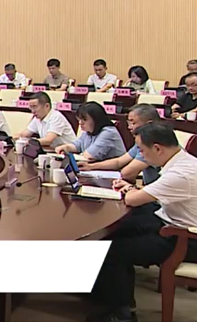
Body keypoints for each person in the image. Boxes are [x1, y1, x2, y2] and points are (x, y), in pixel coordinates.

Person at [89, 123, 197, 322]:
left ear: (157, 148)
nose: (141, 155)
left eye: (141, 149)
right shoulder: (183, 162)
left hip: (185, 238)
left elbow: (132, 199)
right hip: (170, 220)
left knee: (111, 251)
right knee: (117, 229)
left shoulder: (181, 173)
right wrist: (131, 189)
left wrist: (130, 190)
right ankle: (107, 293)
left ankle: (122, 314)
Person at [80, 104, 161, 185]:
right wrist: (90, 166)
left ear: (149, 124)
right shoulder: (142, 141)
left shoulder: (152, 144)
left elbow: (127, 173)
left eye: (133, 123)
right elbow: (118, 162)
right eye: (128, 123)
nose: (129, 127)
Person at [55, 102, 126, 162]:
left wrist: (78, 154)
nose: (80, 123)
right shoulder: (88, 131)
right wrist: (65, 147)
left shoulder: (108, 133)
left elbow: (90, 156)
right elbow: (77, 145)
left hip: (113, 171)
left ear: (96, 119)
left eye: (84, 120)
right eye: (79, 119)